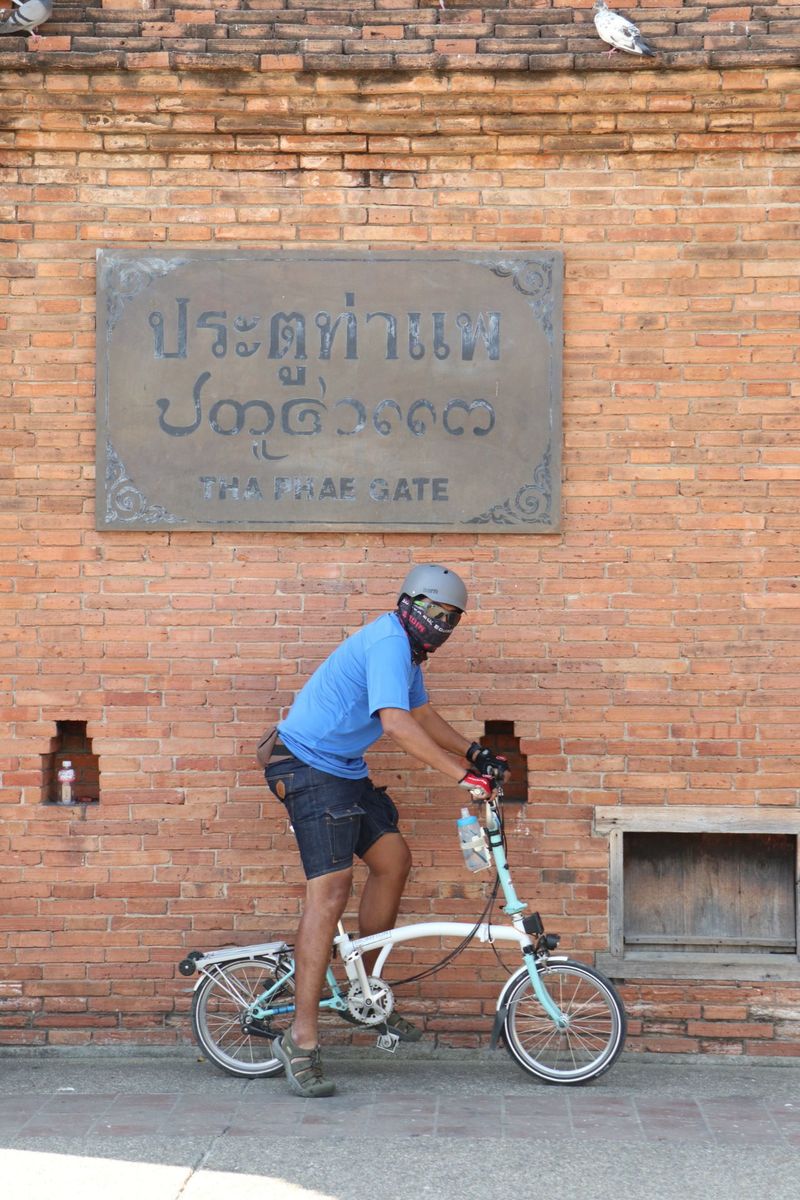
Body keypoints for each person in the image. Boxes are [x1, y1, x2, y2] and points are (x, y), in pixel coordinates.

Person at [261, 564, 508, 1098]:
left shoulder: (407, 652)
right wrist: (461, 776)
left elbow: (420, 713)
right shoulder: (388, 642)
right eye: (435, 611)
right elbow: (395, 723)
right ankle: (301, 1040)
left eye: (452, 617)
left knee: (393, 861)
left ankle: (363, 993)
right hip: (304, 765)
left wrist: (474, 752)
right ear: (409, 604)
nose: (442, 623)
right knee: (329, 893)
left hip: (343, 769)